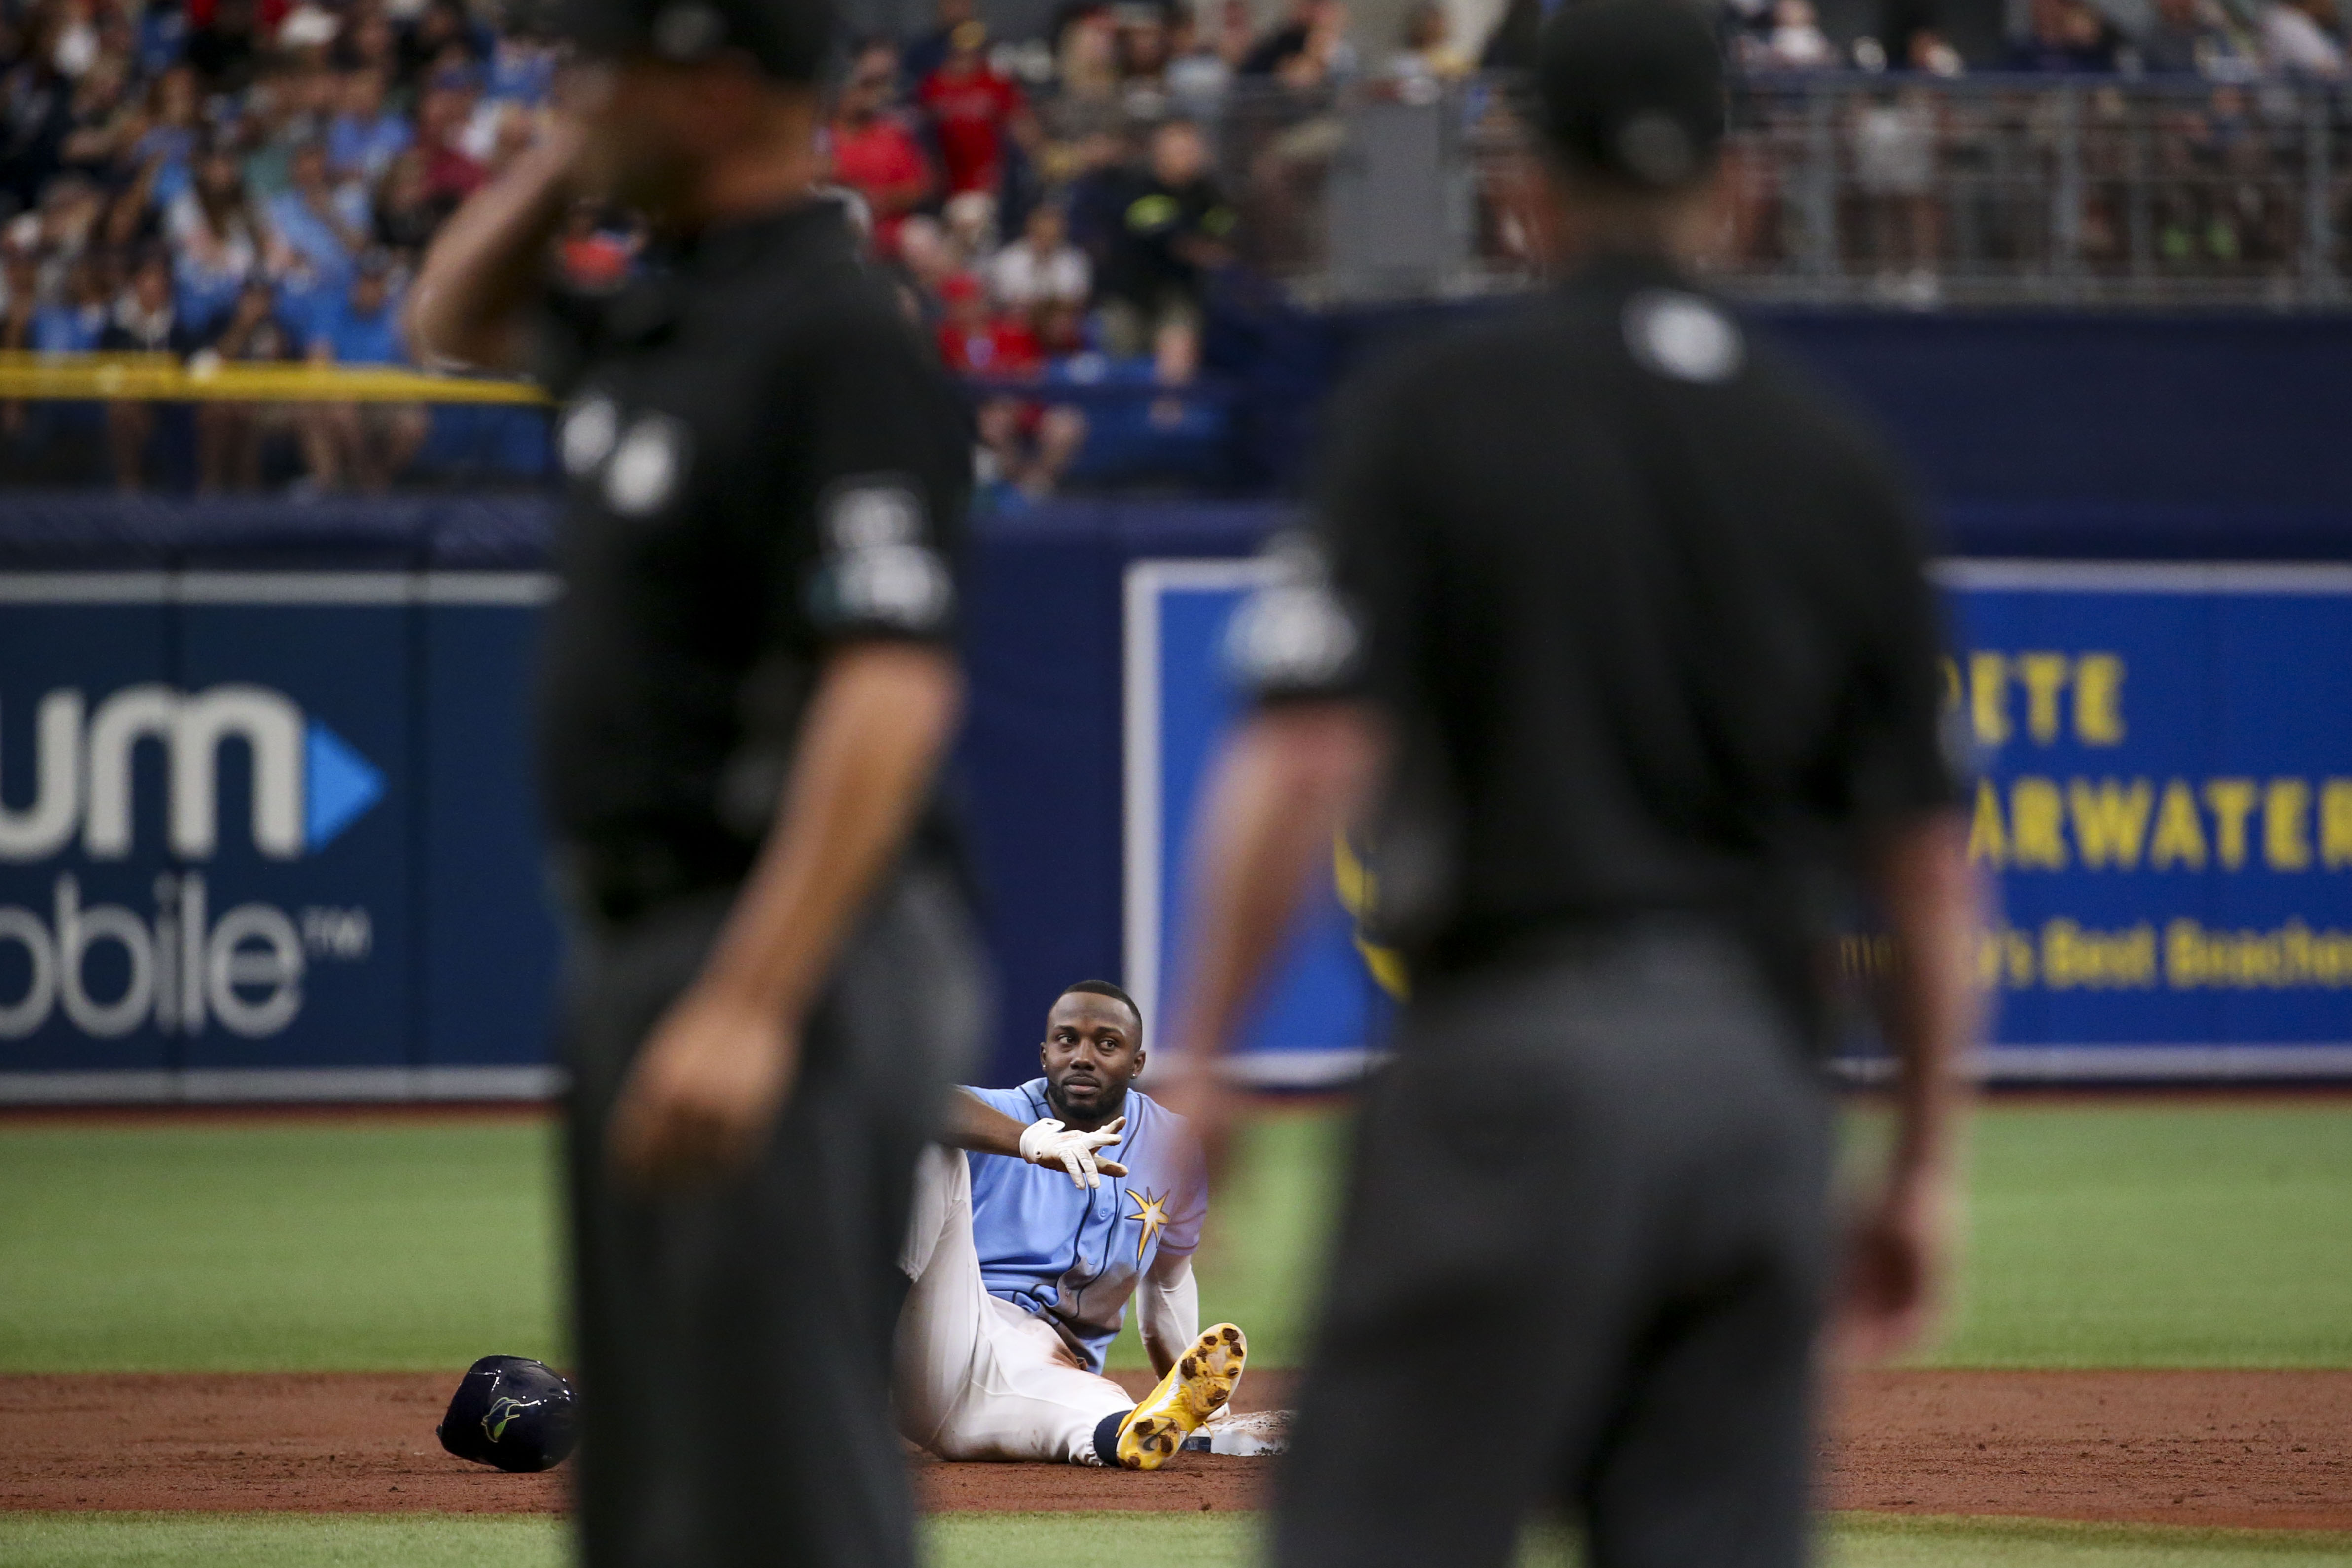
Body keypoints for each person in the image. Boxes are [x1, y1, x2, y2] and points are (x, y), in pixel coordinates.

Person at [1156, 3, 1982, 1567]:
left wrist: (1206, 1056)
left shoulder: (1425, 415)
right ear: (1738, 193)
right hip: (1753, 1097)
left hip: (1507, 1072)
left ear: (1520, 186)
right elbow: (1925, 871)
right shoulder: (1836, 462)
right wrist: (1921, 1167)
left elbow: (1303, 752)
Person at [403, 0, 984, 1559]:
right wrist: (558, 161)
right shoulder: (663, 318)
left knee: (785, 1482)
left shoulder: (834, 335)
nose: (572, 91)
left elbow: (888, 686)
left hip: (780, 952)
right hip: (646, 946)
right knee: (652, 1491)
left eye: (611, 67)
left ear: (720, 90)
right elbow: (449, 316)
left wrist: (748, 996)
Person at [896, 980, 1247, 1469]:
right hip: (949, 1330)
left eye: (1106, 1043)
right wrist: (1028, 1141)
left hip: (1040, 1376)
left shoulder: (1174, 1146)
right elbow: (922, 1100)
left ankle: (1129, 1427)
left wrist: (1207, 1410)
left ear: (1136, 1062)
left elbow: (1167, 1286)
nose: (1082, 1056)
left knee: (1115, 1419)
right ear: (1044, 1054)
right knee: (933, 1146)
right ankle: (848, 1372)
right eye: (1067, 1040)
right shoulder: (1004, 1115)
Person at [305, 250, 427, 491]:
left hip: (383, 398)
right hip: (339, 396)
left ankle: (376, 480)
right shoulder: (333, 309)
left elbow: (411, 367)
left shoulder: (396, 316)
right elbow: (317, 362)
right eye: (366, 280)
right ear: (355, 282)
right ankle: (334, 483)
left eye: (377, 281)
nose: (371, 288)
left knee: (414, 422)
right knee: (335, 408)